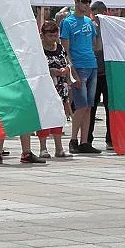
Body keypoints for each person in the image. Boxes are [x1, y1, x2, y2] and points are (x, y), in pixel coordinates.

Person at [61, 0, 100, 154]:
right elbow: (65, 50)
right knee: (82, 105)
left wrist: (100, 30)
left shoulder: (89, 22)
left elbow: (96, 46)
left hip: (92, 65)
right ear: (76, 2)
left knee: (89, 106)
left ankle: (85, 142)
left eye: (89, 2)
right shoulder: (68, 22)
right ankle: (73, 140)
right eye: (84, 1)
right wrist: (72, 71)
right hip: (78, 67)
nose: (87, 5)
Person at [36, 20, 72, 158]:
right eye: (50, 36)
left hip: (60, 88)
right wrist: (49, 71)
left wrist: (66, 70)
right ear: (43, 35)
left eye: (55, 35)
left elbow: (68, 62)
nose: (53, 39)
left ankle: (59, 148)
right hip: (45, 88)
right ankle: (43, 148)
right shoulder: (38, 50)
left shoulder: (60, 48)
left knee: (58, 117)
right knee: (44, 117)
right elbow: (36, 68)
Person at [87, 1, 111, 150]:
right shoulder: (89, 27)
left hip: (107, 73)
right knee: (91, 107)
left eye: (100, 13)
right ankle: (87, 139)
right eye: (95, 13)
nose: (97, 16)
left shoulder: (112, 27)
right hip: (93, 71)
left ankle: (111, 139)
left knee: (110, 107)